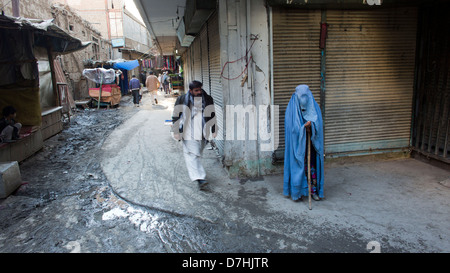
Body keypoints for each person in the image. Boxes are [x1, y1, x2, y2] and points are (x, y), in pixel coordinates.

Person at [171, 80, 217, 190]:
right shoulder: (182, 99)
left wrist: (214, 129)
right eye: (196, 90)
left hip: (202, 129)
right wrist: (176, 131)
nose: (199, 92)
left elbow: (212, 114)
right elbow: (176, 116)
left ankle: (199, 176)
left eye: (200, 89)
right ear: (190, 91)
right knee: (193, 154)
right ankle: (201, 179)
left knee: (197, 152)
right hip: (188, 130)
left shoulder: (207, 98)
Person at [283, 85, 324, 202]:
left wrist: (313, 126)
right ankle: (298, 192)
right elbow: (291, 128)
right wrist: (302, 129)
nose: (304, 100)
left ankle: (313, 191)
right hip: (297, 146)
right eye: (302, 97)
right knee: (298, 166)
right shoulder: (291, 108)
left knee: (312, 167)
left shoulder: (314, 105)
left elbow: (319, 122)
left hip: (311, 143)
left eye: (306, 96)